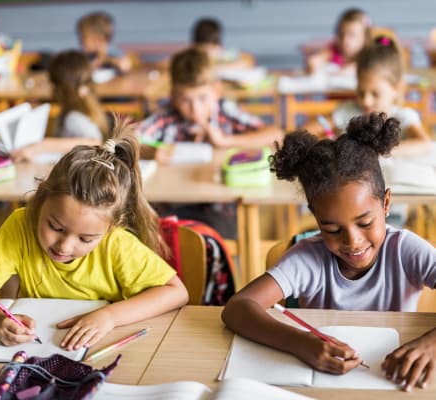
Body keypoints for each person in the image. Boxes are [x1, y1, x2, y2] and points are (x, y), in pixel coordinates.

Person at [222, 113, 436, 392]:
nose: (353, 241)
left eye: (365, 223)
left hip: (390, 382)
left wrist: (431, 344)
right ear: (315, 218)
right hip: (322, 386)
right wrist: (300, 342)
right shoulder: (309, 258)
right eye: (332, 229)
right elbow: (238, 308)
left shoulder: (405, 250)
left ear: (385, 204)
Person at [0, 118, 189, 350]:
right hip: (41, 349)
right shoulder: (21, 224)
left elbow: (176, 293)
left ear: (113, 226)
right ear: (41, 197)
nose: (64, 246)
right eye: (56, 227)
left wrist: (109, 317)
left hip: (105, 347)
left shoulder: (117, 243)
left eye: (85, 239)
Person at [138, 47, 283, 163]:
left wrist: (226, 141)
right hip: (172, 196)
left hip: (221, 196)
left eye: (202, 98)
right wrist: (148, 151)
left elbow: (277, 135)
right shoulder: (166, 117)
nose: (195, 109)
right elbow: (122, 142)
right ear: (174, 98)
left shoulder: (225, 110)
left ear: (216, 92)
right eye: (186, 100)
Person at [305, 37, 432, 157]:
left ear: (396, 89)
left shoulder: (403, 116)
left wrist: (376, 151)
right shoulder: (348, 111)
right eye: (361, 92)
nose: (366, 101)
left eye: (375, 94)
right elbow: (309, 131)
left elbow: (425, 144)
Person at [11, 50, 110, 162]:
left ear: (59, 88)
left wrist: (43, 145)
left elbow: (95, 142)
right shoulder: (87, 108)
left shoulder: (73, 118)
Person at [306, 8, 371, 74]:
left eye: (352, 35)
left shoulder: (370, 53)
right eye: (341, 34)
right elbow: (316, 60)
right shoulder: (334, 50)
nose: (345, 40)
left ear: (365, 37)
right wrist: (314, 62)